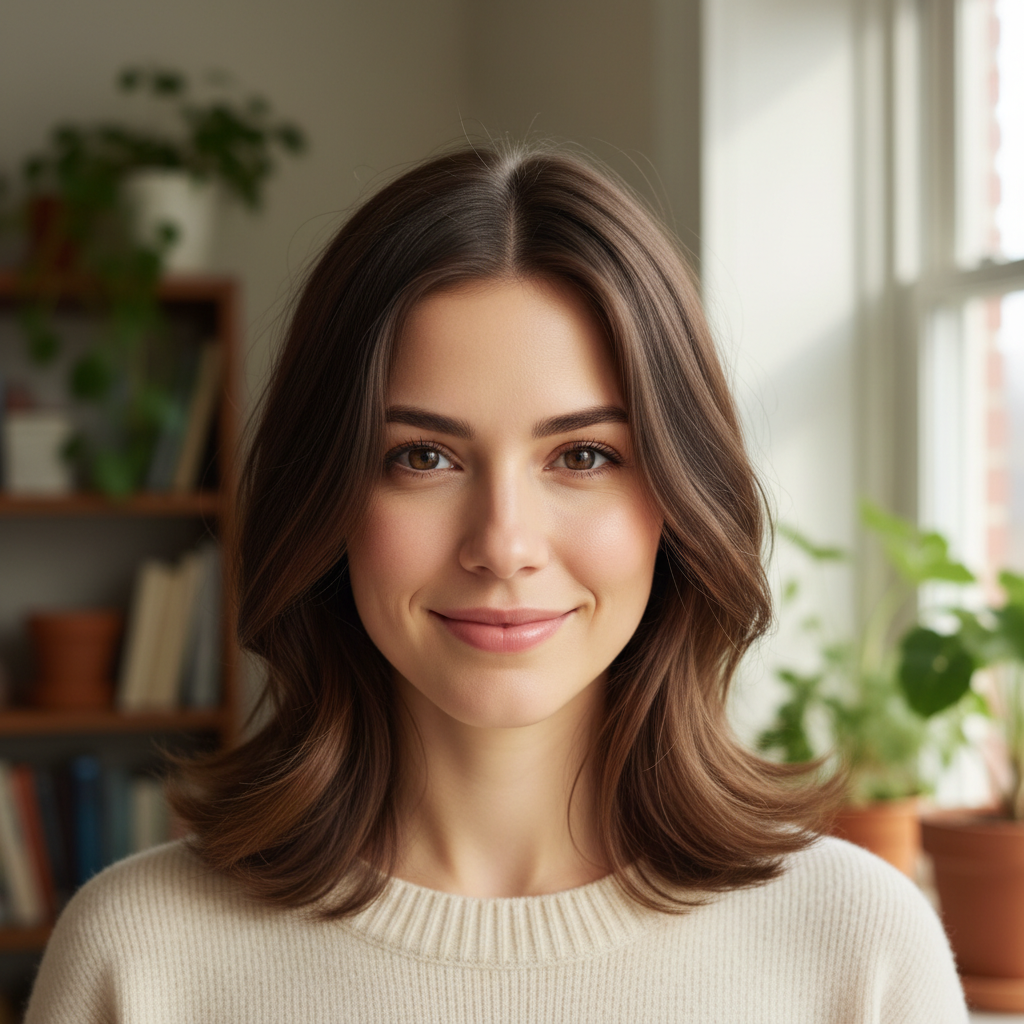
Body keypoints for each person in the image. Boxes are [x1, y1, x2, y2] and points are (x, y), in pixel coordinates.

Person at [25, 143, 967, 1023]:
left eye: (585, 455)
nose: (504, 544)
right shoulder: (140, 958)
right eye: (424, 456)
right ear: (328, 495)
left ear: (678, 500)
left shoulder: (859, 949)